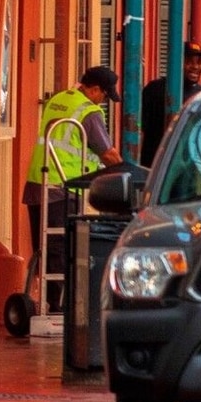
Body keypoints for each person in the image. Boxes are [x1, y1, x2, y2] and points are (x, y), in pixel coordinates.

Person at [21, 64, 119, 311]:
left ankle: (49, 302)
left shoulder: (59, 99)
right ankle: (59, 309)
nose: (103, 101)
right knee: (62, 249)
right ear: (94, 89)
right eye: (104, 95)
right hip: (64, 185)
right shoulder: (88, 111)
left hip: (38, 182)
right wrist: (125, 171)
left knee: (45, 248)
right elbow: (107, 153)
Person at [138, 45, 201, 166]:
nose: (195, 66)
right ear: (176, 62)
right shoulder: (155, 89)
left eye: (199, 62)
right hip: (154, 165)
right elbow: (140, 129)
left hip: (188, 166)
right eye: (189, 61)